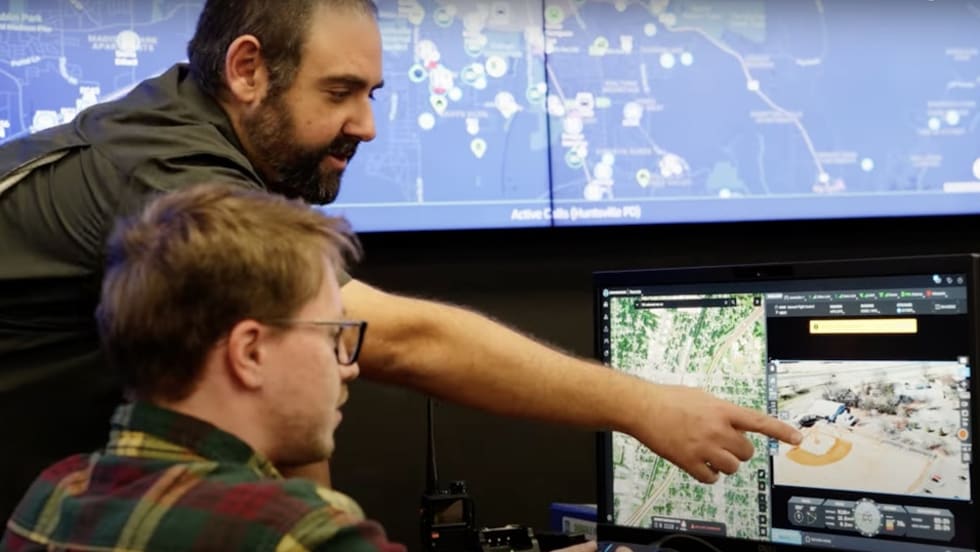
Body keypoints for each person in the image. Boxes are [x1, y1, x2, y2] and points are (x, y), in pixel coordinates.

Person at [0, 0, 801, 520]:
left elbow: (296, 386)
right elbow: (386, 338)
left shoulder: (178, 134)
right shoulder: (173, 174)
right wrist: (644, 406)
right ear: (246, 70)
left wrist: (321, 526)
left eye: (373, 94)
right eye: (341, 91)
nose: (367, 125)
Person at [0, 183, 599, 552]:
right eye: (333, 334)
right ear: (250, 352)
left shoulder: (53, 497)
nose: (349, 367)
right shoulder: (300, 534)